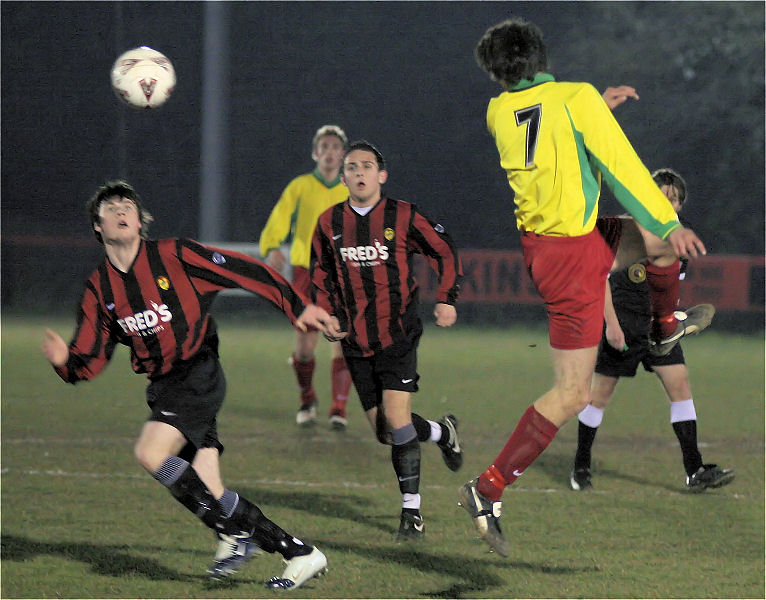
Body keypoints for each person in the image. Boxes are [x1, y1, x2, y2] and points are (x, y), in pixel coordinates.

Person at [458, 17, 713, 557]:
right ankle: (488, 488)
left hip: (554, 245)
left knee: (655, 249)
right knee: (573, 393)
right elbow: (621, 167)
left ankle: (665, 329)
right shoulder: (574, 99)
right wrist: (672, 221)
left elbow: (545, 124)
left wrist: (596, 105)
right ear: (542, 55)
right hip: (573, 259)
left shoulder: (497, 111)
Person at [41, 180, 344, 588]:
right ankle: (278, 546)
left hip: (199, 371)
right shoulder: (100, 288)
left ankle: (262, 541)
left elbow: (244, 270)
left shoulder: (174, 255)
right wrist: (66, 363)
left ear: (139, 219)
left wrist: (298, 306)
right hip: (164, 385)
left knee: (151, 452)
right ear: (98, 227)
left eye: (127, 205)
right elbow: (90, 355)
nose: (120, 211)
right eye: (110, 209)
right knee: (210, 485)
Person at [310, 140, 465, 540]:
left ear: (382, 175)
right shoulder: (328, 224)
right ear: (343, 177)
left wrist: (447, 298)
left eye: (367, 166)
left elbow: (445, 251)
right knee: (384, 431)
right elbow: (321, 275)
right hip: (355, 340)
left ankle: (411, 513)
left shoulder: (404, 215)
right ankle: (441, 432)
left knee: (396, 421)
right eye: (351, 167)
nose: (359, 173)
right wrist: (325, 314)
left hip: (398, 333)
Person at [570, 168, 734, 492]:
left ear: (681, 205)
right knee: (599, 396)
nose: (668, 202)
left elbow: (670, 290)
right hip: (623, 325)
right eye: (662, 195)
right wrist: (612, 327)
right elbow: (597, 277)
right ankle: (581, 467)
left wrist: (673, 322)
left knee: (680, 384)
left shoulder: (680, 238)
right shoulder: (627, 231)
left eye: (674, 199)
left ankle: (694, 471)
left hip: (658, 327)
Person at [259, 125, 353, 429]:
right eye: (324, 147)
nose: (329, 152)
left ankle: (339, 408)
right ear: (316, 153)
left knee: (342, 340)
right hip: (306, 273)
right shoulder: (300, 186)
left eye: (335, 147)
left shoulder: (352, 187)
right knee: (305, 348)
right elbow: (280, 216)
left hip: (342, 274)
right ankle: (307, 397)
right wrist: (272, 245)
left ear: (342, 154)